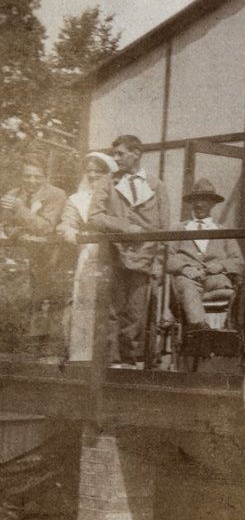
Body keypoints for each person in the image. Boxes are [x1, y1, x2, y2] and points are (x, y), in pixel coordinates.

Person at [89, 134, 171, 368]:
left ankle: (130, 362)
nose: (117, 158)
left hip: (144, 259)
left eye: (121, 154)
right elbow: (94, 216)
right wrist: (124, 227)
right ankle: (112, 364)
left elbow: (165, 229)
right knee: (113, 312)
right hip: (115, 257)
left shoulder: (156, 186)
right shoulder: (108, 181)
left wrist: (159, 265)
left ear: (137, 153)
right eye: (115, 154)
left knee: (136, 315)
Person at [2, 153, 69, 353]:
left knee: (41, 307)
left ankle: (37, 352)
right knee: (13, 304)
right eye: (27, 176)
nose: (31, 181)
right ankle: (14, 350)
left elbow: (46, 227)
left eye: (36, 177)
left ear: (44, 177)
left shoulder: (56, 194)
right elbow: (5, 224)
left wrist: (20, 210)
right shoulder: (12, 194)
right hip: (18, 260)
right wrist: (21, 232)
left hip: (47, 260)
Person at [57, 151, 117, 361]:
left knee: (113, 308)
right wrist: (69, 231)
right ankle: (82, 357)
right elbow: (66, 222)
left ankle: (111, 359)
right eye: (89, 171)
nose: (92, 175)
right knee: (85, 305)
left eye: (98, 172)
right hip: (89, 257)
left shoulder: (116, 196)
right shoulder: (77, 199)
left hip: (115, 257)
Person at [165, 178, 245, 331]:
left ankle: (217, 333)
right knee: (185, 283)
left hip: (215, 280)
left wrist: (220, 265)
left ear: (213, 204)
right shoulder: (180, 228)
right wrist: (183, 268)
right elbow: (167, 257)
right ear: (192, 202)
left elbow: (238, 261)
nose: (199, 204)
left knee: (224, 285)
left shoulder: (223, 231)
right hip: (189, 280)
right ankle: (201, 328)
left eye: (205, 200)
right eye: (196, 200)